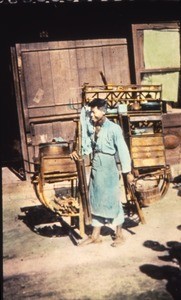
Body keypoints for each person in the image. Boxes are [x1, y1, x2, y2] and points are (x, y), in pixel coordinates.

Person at [71, 98, 134, 247]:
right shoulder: (91, 129)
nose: (91, 116)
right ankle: (95, 236)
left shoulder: (114, 128)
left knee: (113, 199)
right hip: (96, 167)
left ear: (102, 110)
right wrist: (75, 151)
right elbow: (83, 144)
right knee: (96, 199)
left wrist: (128, 172)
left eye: (93, 112)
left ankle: (119, 234)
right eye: (91, 113)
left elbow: (123, 151)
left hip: (109, 166)